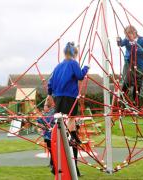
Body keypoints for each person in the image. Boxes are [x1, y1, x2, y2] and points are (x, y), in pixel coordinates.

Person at [47, 42, 89, 176]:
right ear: (74, 54)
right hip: (70, 95)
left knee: (59, 121)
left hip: (58, 96)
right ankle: (73, 135)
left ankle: (55, 163)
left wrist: (49, 94)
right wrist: (86, 68)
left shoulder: (58, 66)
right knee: (71, 118)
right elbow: (80, 76)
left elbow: (50, 82)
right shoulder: (73, 63)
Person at [117, 25, 143, 105]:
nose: (127, 37)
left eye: (129, 35)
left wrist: (138, 50)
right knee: (127, 81)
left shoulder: (142, 40)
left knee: (137, 85)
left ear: (134, 33)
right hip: (128, 63)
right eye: (126, 35)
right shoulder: (126, 40)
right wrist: (119, 41)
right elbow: (121, 44)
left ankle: (136, 104)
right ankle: (122, 102)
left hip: (139, 65)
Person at [36, 97, 55, 174]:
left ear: (48, 107)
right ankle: (51, 163)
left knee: (53, 150)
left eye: (45, 106)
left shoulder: (52, 112)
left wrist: (48, 97)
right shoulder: (44, 114)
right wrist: (41, 126)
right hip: (46, 135)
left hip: (52, 135)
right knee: (50, 150)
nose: (43, 107)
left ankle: (53, 164)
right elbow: (38, 122)